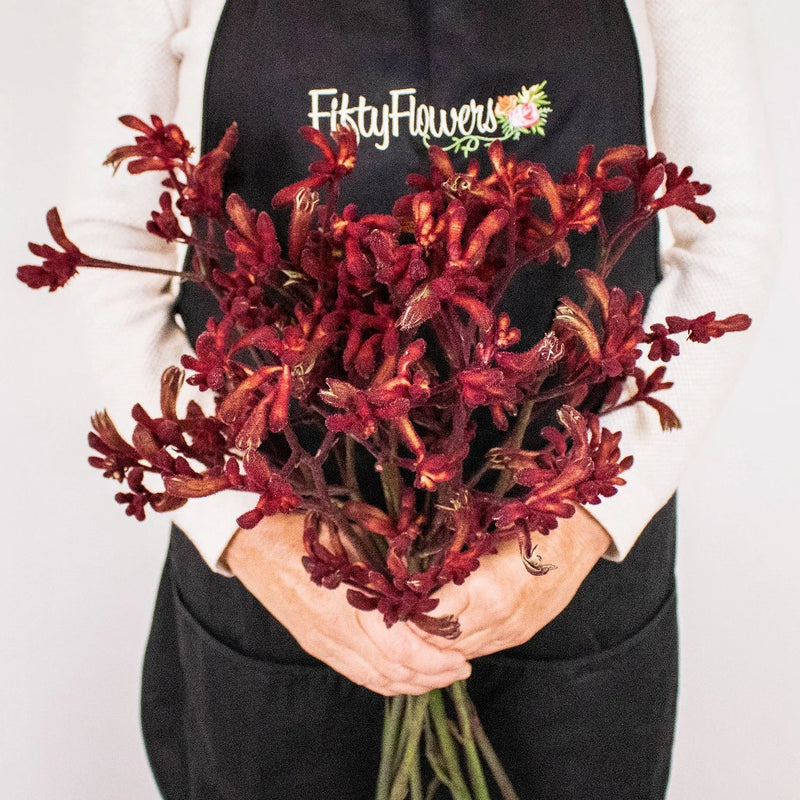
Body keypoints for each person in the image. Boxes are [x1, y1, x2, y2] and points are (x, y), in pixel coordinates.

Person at [61, 1, 777, 798]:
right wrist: (249, 540)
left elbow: (729, 230)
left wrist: (586, 525)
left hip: (567, 573)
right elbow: (110, 244)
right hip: (285, 570)